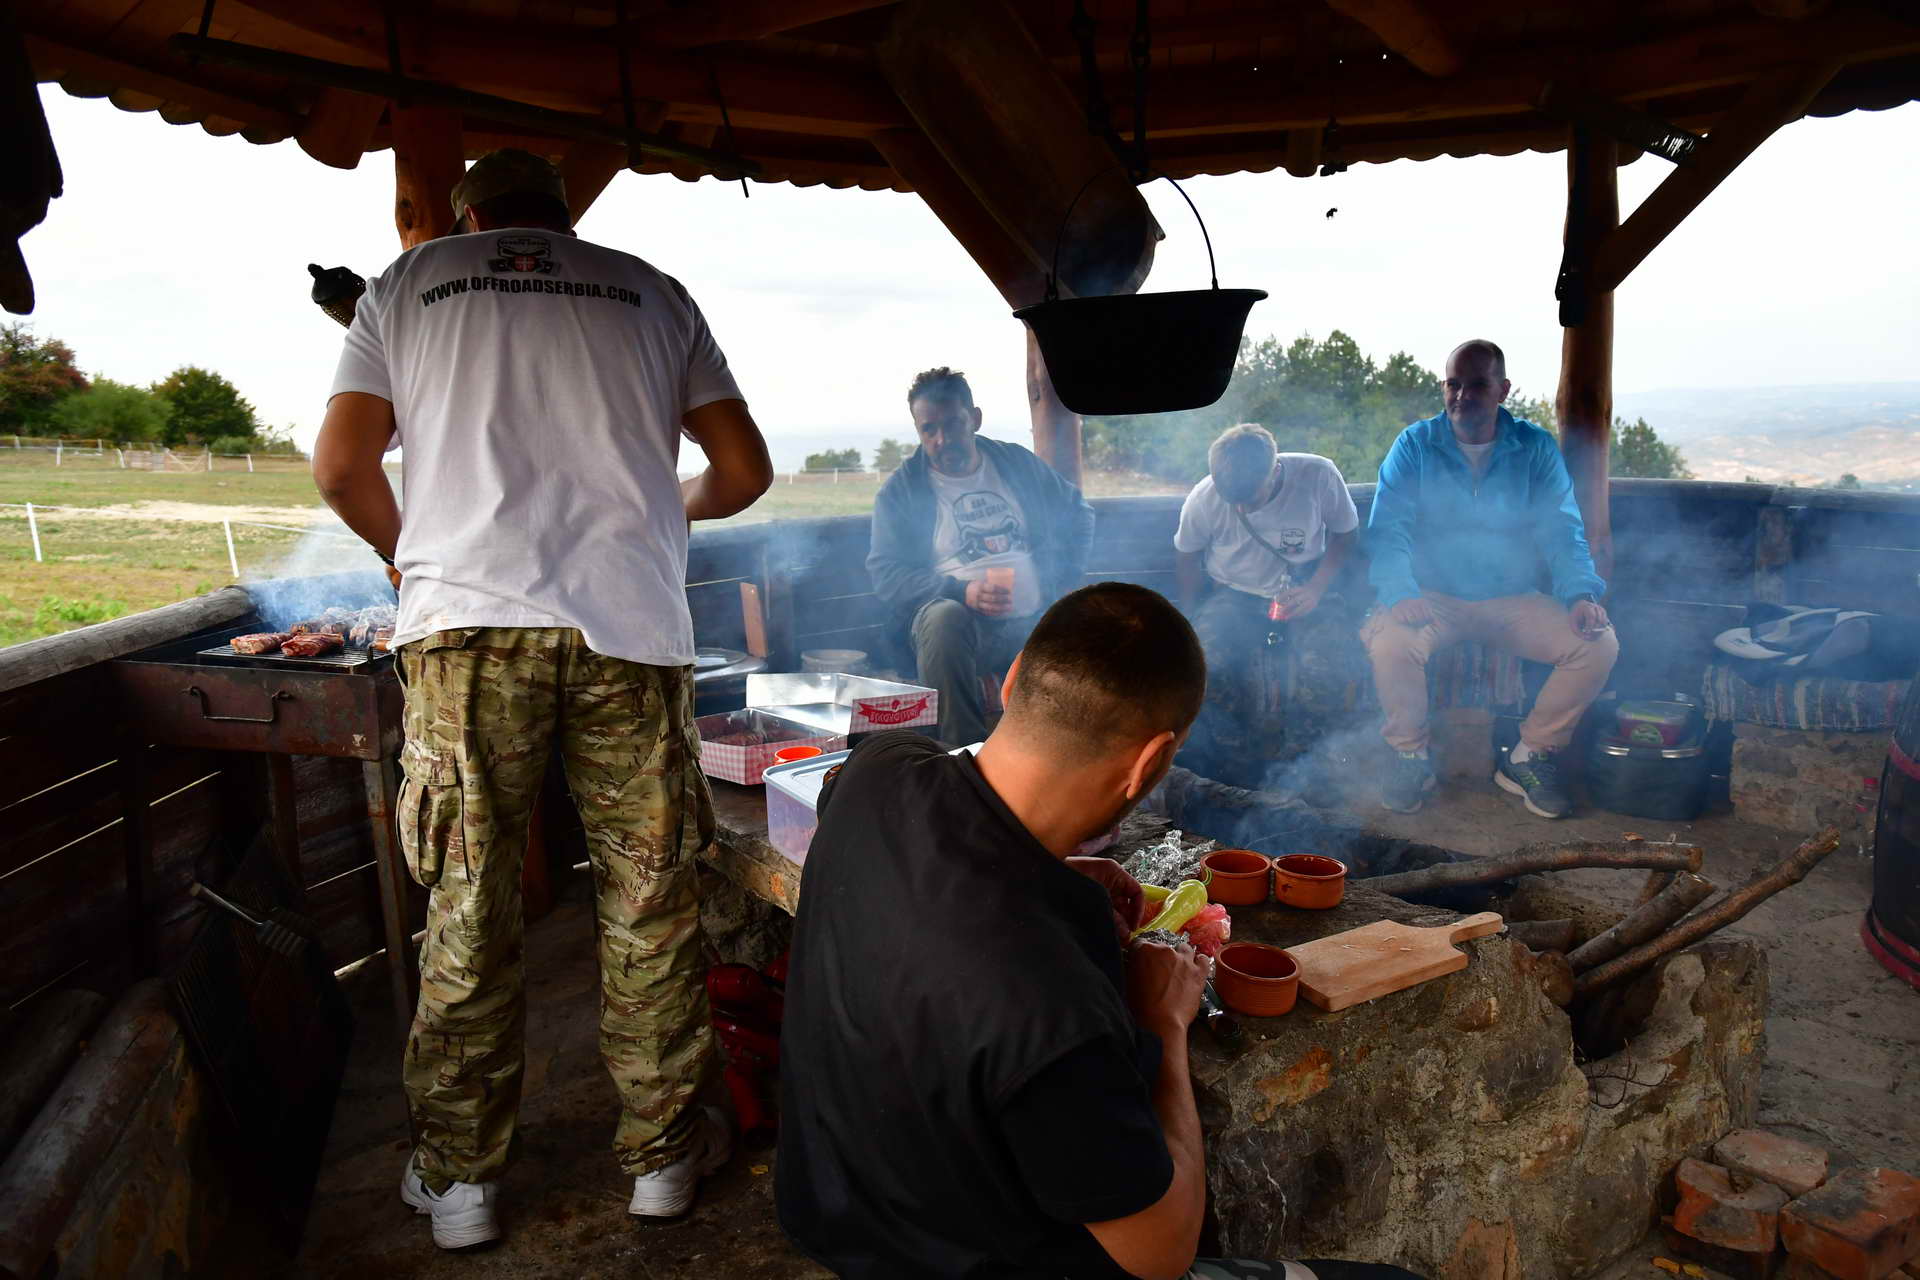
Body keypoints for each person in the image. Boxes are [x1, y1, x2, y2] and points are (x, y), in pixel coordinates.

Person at [311, 148, 773, 1250]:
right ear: (566, 217)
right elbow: (744, 470)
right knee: (650, 898)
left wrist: (406, 552)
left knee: (469, 901)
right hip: (630, 629)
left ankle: (461, 1181)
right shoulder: (652, 290)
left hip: (467, 630)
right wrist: (662, 505)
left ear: (466, 214)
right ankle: (663, 1156)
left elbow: (341, 468)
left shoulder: (408, 283)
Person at [775, 582, 1426, 1280]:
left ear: (1013, 680)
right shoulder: (1052, 996)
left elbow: (932, 860)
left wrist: (1052, 870)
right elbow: (1159, 1253)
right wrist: (1163, 1024)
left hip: (828, 1217)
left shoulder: (876, 771)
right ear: (1150, 762)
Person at [1362, 339, 1618, 819]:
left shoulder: (1533, 447)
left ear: (1503, 390)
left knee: (1597, 644)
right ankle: (1409, 756)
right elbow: (1388, 528)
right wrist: (1399, 593)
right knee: (1391, 644)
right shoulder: (1415, 445)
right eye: (1453, 384)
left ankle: (1529, 756)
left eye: (1477, 385)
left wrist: (1582, 594)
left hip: (1511, 598)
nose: (1462, 396)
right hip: (1432, 598)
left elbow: (1562, 530)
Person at [866, 366, 1095, 745]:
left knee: (1096, 619)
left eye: (952, 424)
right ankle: (964, 754)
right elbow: (885, 574)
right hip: (963, 634)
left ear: (974, 418)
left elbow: (1077, 512)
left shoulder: (1015, 464)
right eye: (929, 429)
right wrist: (961, 591)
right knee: (944, 617)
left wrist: (1062, 580)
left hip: (1034, 623)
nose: (942, 439)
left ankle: (1076, 755)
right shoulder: (901, 492)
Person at [1174, 424, 1361, 785]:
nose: (1241, 507)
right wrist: (1190, 617)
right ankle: (1230, 764)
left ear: (1274, 470)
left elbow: (1346, 533)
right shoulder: (1204, 497)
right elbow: (1186, 556)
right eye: (1232, 498)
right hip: (1234, 594)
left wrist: (1317, 588)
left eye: (1250, 497)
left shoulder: (1318, 475)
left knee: (1327, 663)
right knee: (1206, 666)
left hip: (1306, 587)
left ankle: (1305, 767)